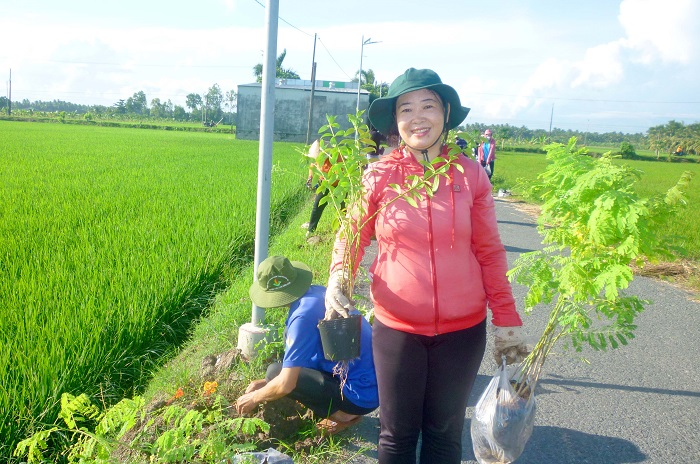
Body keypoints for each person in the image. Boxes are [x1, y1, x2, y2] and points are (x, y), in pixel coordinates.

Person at [324, 68, 528, 463]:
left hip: (463, 332)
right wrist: (339, 278)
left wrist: (506, 319)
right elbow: (352, 234)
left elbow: (489, 250)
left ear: (446, 113)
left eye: (428, 105)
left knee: (444, 433)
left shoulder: (470, 175)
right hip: (397, 328)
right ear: (395, 121)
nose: (418, 117)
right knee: (396, 436)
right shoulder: (379, 175)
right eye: (406, 109)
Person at [235, 255, 378, 434]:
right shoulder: (317, 293)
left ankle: (344, 415)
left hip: (360, 394)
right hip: (374, 383)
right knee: (276, 373)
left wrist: (254, 398)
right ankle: (345, 409)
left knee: (275, 373)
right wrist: (265, 384)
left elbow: (286, 384)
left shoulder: (301, 318)